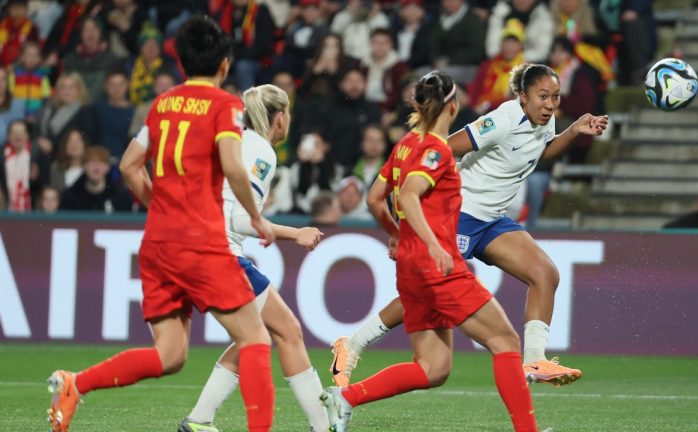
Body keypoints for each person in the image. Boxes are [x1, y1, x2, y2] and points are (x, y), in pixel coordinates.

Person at [46, 15, 277, 432]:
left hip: (157, 245)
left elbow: (131, 166)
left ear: (183, 62)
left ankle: (74, 385)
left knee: (170, 355)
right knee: (256, 339)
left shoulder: (163, 103)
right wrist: (256, 216)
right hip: (201, 243)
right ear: (224, 64)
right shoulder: (225, 106)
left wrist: (162, 206)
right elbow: (231, 164)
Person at [330, 64, 608, 388]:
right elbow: (444, 148)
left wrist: (573, 131)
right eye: (543, 96)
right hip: (460, 214)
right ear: (522, 96)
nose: (550, 104)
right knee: (428, 296)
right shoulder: (501, 120)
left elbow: (541, 153)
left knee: (545, 274)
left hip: (492, 219)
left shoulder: (547, 121)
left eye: (556, 97)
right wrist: (416, 190)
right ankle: (351, 344)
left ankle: (534, 359)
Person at [321, 71, 539, 432]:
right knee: (505, 340)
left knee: (433, 367)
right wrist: (434, 243)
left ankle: (346, 398)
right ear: (452, 106)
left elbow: (375, 199)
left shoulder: (406, 143)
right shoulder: (436, 149)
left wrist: (395, 233)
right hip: (437, 265)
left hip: (410, 268)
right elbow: (408, 194)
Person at [179, 84, 330, 432]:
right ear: (280, 117)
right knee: (289, 331)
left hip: (196, 251)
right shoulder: (260, 150)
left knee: (255, 335)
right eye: (288, 112)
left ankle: (199, 420)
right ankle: (326, 425)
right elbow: (240, 220)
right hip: (221, 254)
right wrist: (296, 233)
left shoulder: (231, 141)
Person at [59, 146, 133, 212]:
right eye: (92, 162)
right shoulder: (71, 196)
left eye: (101, 162)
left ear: (108, 167)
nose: (96, 167)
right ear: (84, 166)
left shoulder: (121, 196)